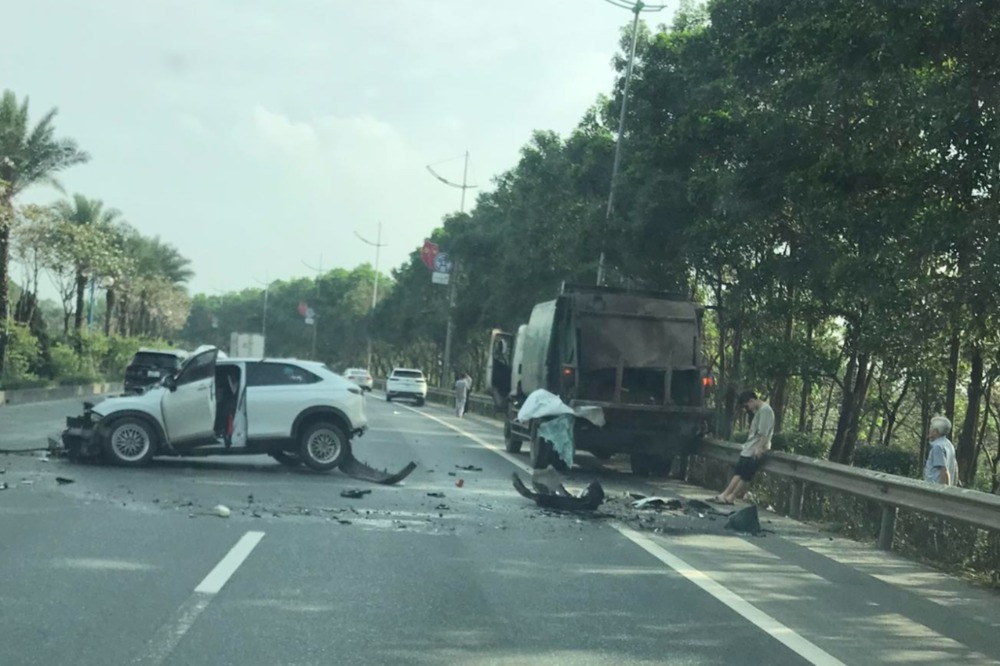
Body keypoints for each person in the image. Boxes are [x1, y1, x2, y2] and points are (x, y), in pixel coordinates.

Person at [712, 390, 774, 505]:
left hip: (755, 448)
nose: (747, 409)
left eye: (747, 406)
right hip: (750, 448)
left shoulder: (765, 410)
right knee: (740, 472)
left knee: (745, 475)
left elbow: (764, 433)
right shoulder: (759, 410)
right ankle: (726, 495)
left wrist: (759, 448)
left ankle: (730, 496)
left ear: (751, 400)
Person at [924, 415, 958, 486]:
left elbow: (944, 471)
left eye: (931, 427)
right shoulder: (949, 445)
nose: (929, 430)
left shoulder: (938, 447)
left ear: (936, 431)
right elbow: (955, 468)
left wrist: (944, 491)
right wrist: (953, 488)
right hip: (948, 488)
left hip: (934, 489)